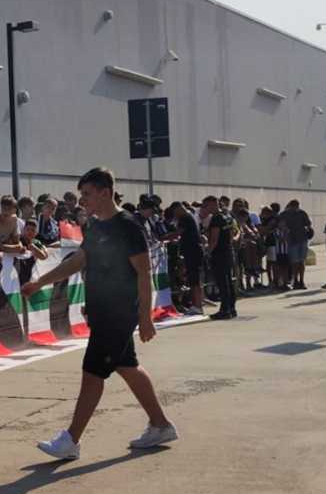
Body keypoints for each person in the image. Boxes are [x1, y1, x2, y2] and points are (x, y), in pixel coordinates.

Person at [19, 167, 176, 460]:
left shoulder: (128, 226)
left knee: (92, 372)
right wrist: (41, 281)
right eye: (82, 195)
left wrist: (145, 317)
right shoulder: (94, 226)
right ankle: (160, 424)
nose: (83, 201)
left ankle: (71, 440)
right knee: (127, 366)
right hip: (102, 310)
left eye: (88, 194)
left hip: (119, 312)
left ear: (106, 192)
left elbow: (144, 273)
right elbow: (80, 259)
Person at [202, 197, 237, 319]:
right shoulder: (227, 216)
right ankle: (231, 308)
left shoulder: (216, 218)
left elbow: (214, 239)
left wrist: (208, 252)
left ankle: (225, 309)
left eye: (206, 206)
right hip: (228, 251)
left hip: (220, 254)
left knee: (222, 282)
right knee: (228, 281)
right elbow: (232, 235)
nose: (205, 209)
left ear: (212, 205)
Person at [278, 200, 311, 290]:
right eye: (293, 206)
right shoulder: (284, 214)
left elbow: (308, 224)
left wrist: (308, 229)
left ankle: (301, 281)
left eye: (296, 206)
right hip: (292, 240)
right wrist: (285, 230)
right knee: (295, 262)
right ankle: (295, 280)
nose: (295, 208)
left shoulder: (302, 213)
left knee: (301, 261)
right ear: (290, 206)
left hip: (302, 239)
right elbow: (280, 224)